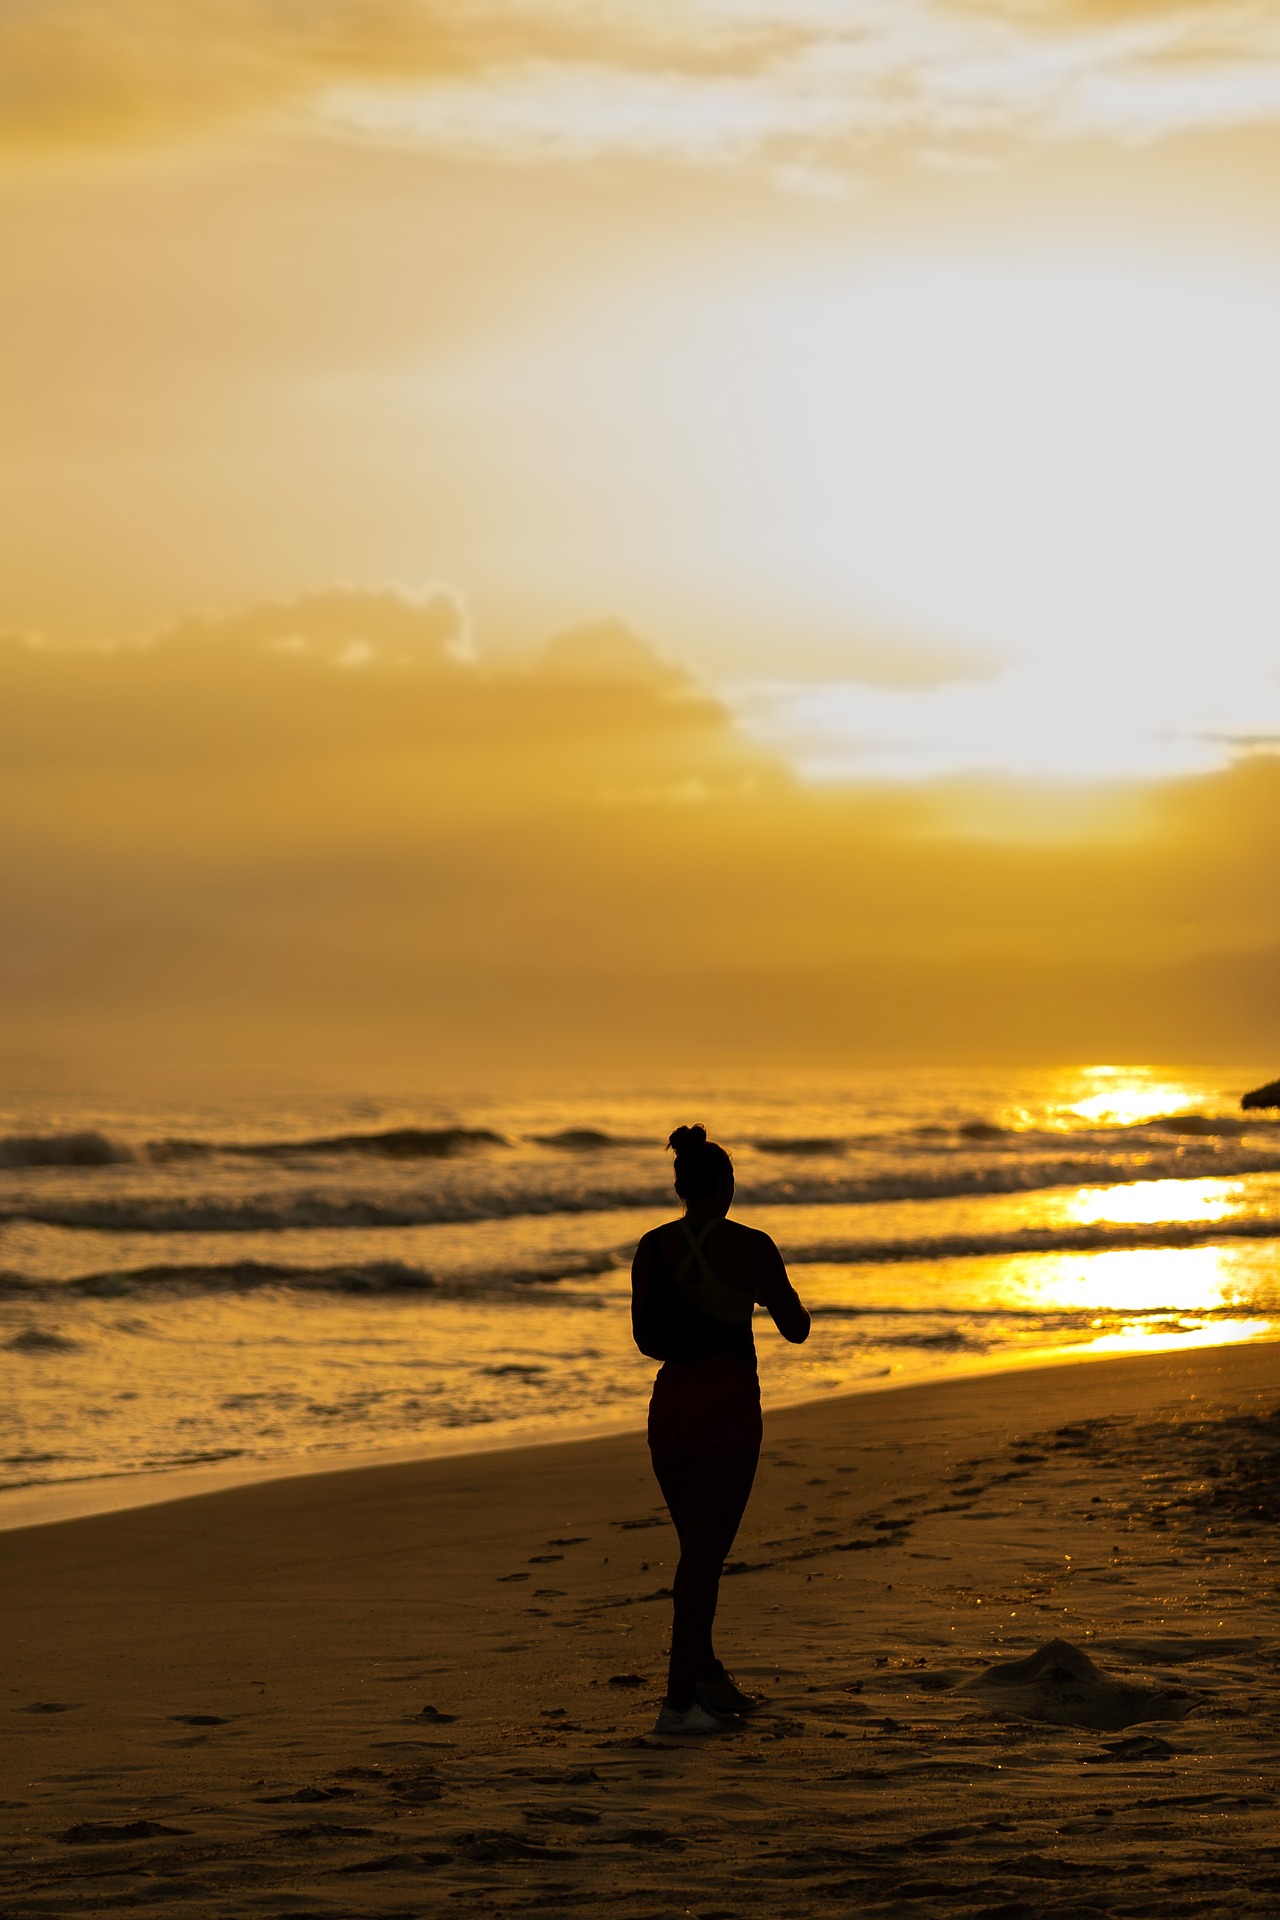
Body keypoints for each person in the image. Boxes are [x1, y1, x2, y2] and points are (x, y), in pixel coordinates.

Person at [631, 1123, 811, 1734]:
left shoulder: (652, 1247)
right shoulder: (754, 1245)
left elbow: (645, 1340)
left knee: (696, 1556)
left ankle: (706, 1677)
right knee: (702, 1564)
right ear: (727, 1185)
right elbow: (796, 1328)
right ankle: (678, 1704)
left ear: (682, 1187)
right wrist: (748, 1296)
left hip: (671, 1413)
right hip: (728, 1411)